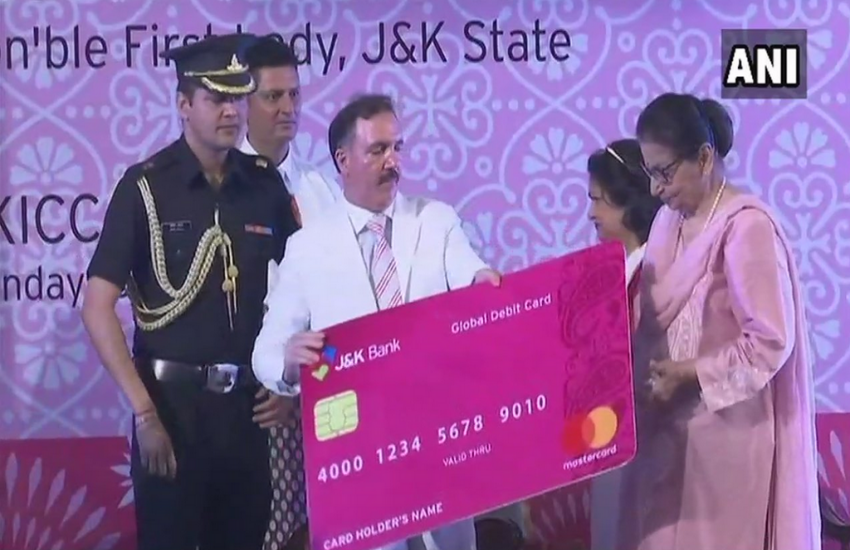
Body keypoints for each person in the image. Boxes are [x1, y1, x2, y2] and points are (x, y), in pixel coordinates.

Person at [251, 93, 501, 550]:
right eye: (378, 150)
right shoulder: (308, 248)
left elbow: (470, 271)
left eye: (397, 147)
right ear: (343, 160)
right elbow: (265, 352)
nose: (393, 162)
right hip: (355, 458)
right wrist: (288, 360)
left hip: (439, 447)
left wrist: (482, 284)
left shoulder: (436, 220)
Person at [81, 34, 300, 550]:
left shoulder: (265, 185)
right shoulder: (145, 187)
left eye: (238, 98)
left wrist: (289, 385)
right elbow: (96, 307)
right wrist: (144, 412)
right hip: (170, 412)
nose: (231, 112)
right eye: (216, 98)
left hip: (246, 414)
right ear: (184, 105)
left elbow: (301, 293)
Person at [616, 92, 820, 550]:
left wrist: (689, 373)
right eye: (650, 174)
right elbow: (651, 319)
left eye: (665, 173)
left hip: (726, 445)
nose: (656, 190)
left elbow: (769, 342)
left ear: (705, 158)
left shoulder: (746, 227)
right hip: (662, 438)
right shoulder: (666, 223)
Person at [241, 34, 343, 550]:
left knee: (320, 531)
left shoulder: (318, 189)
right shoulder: (223, 186)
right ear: (243, 102)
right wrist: (272, 381)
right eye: (272, 96)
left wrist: (299, 386)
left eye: (294, 95)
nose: (288, 108)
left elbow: (337, 298)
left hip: (316, 397)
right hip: (247, 401)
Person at [584, 139, 661, 550]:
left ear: (628, 201)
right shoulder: (616, 270)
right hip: (610, 437)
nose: (591, 213)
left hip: (646, 441)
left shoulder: (657, 272)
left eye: (598, 200)